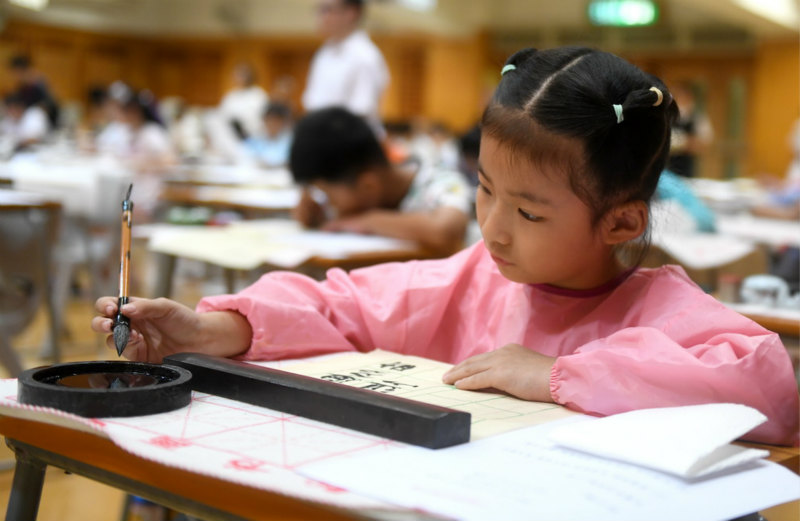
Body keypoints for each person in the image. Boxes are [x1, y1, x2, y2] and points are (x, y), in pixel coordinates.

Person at [92, 47, 799, 446]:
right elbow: (343, 303)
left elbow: (769, 390)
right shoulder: (476, 277)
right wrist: (211, 327)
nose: (492, 226)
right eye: (484, 189)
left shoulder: (663, 309)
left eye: (526, 209)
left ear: (620, 222)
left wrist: (557, 372)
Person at [290, 107, 471, 255]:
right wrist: (315, 216)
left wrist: (366, 221)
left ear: (368, 186)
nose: (331, 205)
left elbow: (445, 231)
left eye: (328, 196)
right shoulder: (357, 196)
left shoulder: (441, 182)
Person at [302, 0, 389, 136]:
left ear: (351, 13)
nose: (320, 17)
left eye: (327, 10)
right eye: (319, 10)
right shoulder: (324, 53)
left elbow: (359, 114)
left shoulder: (364, 56)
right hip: (322, 139)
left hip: (350, 144)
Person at [667, 81, 713, 178]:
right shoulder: (667, 117)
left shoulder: (697, 117)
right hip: (668, 167)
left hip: (688, 168)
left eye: (685, 97)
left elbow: (704, 143)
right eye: (678, 96)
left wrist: (685, 143)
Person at [244, 102, 294, 167]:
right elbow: (244, 155)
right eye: (269, 121)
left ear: (284, 123)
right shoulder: (256, 139)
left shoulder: (290, 142)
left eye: (276, 122)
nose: (272, 125)